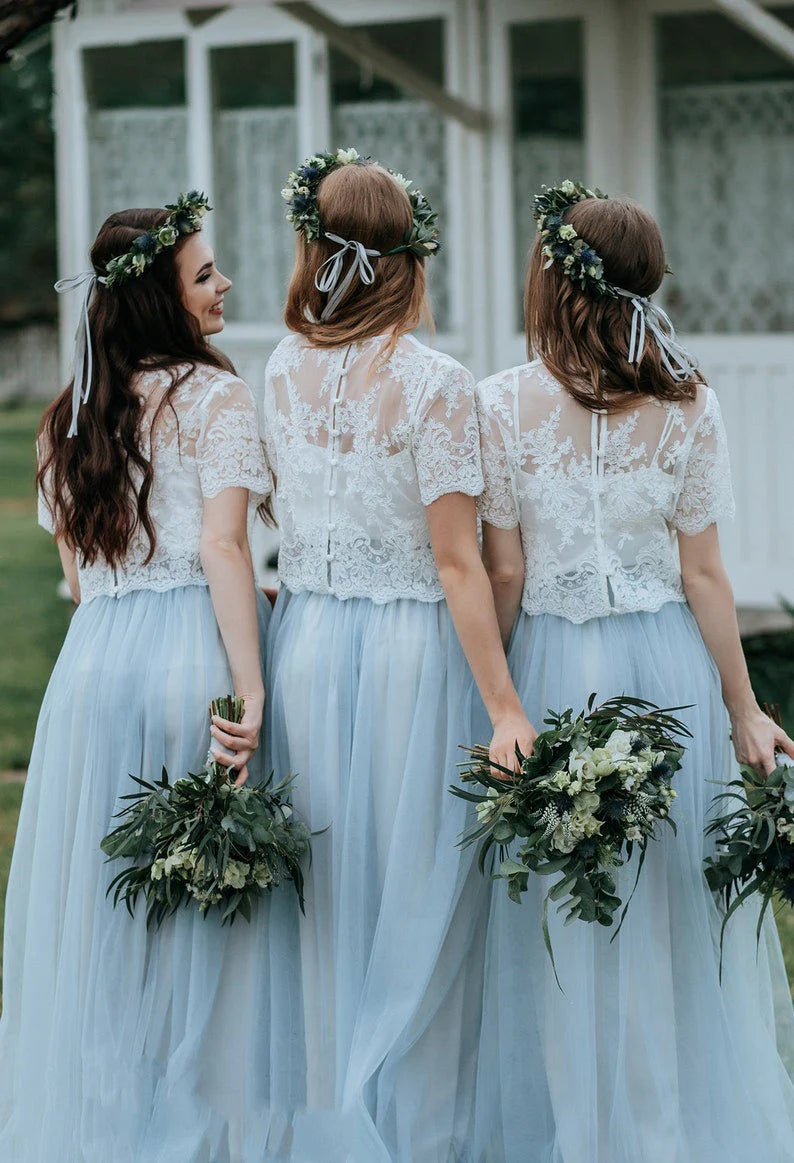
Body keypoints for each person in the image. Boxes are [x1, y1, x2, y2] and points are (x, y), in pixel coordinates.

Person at [473, 181, 794, 1162]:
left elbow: (507, 571)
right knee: (664, 910)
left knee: (562, 913)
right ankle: (662, 1130)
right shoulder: (687, 402)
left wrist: (496, 700)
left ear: (551, 284)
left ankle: (583, 1131)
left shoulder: (499, 402)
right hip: (666, 671)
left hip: (550, 666)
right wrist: (742, 709)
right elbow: (703, 571)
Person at [0, 194, 298, 1162]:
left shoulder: (66, 416)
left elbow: (83, 582)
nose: (224, 287)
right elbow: (220, 545)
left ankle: (108, 1125)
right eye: (205, 274)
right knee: (206, 909)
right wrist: (247, 686)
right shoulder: (213, 397)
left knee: (110, 912)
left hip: (95, 669)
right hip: (187, 656)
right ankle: (204, 1128)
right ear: (162, 300)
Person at [263, 149, 534, 1161]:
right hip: (408, 661)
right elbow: (459, 566)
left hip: (307, 645)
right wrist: (504, 704)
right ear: (406, 260)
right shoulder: (434, 382)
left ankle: (336, 1122)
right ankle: (420, 1136)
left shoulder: (281, 366)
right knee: (421, 904)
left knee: (326, 902)